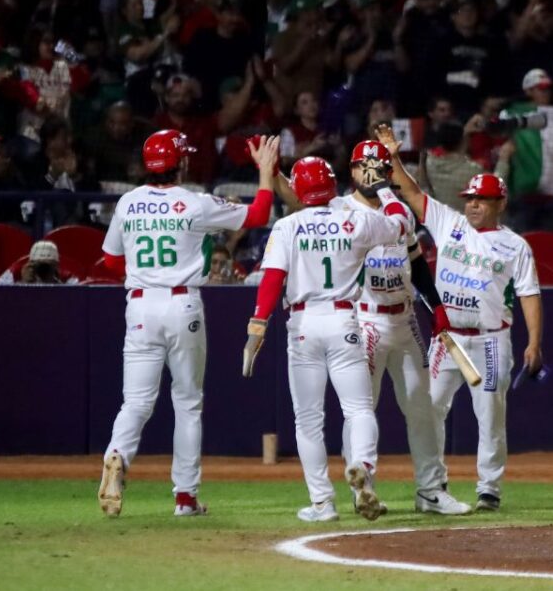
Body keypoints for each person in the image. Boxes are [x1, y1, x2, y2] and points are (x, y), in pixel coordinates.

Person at [274, 139, 473, 516]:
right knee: (361, 408)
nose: (372, 174)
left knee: (422, 408)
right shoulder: (335, 207)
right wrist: (271, 172)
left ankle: (431, 490)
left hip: (405, 318)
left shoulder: (400, 212)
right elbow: (297, 198)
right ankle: (362, 485)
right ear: (351, 172)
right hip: (362, 318)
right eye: (365, 167)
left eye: (380, 167)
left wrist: (438, 308)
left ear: (387, 173)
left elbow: (417, 265)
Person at [96, 131, 280, 518]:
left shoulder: (128, 203)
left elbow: (111, 262)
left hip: (141, 307)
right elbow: (259, 215)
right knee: (187, 402)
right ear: (179, 163)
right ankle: (185, 498)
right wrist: (265, 171)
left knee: (137, 402)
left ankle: (116, 456)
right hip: (182, 304)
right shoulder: (193, 203)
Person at [376, 124, 544, 512]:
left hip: (490, 339)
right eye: (470, 198)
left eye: (481, 200)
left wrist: (534, 341)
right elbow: (414, 194)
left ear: (499, 203)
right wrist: (393, 158)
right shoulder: (449, 223)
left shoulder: (515, 246)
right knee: (429, 408)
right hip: (448, 337)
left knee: (490, 415)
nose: (472, 205)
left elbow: (530, 295)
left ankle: (489, 489)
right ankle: (433, 484)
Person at [243, 154, 417, 523]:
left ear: (300, 189)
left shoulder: (288, 226)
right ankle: (363, 466)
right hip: (345, 321)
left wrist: (257, 325)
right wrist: (384, 189)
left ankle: (322, 504)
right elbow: (403, 223)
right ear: (332, 184)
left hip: (304, 325)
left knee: (308, 420)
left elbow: (272, 279)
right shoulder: (357, 219)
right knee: (358, 409)